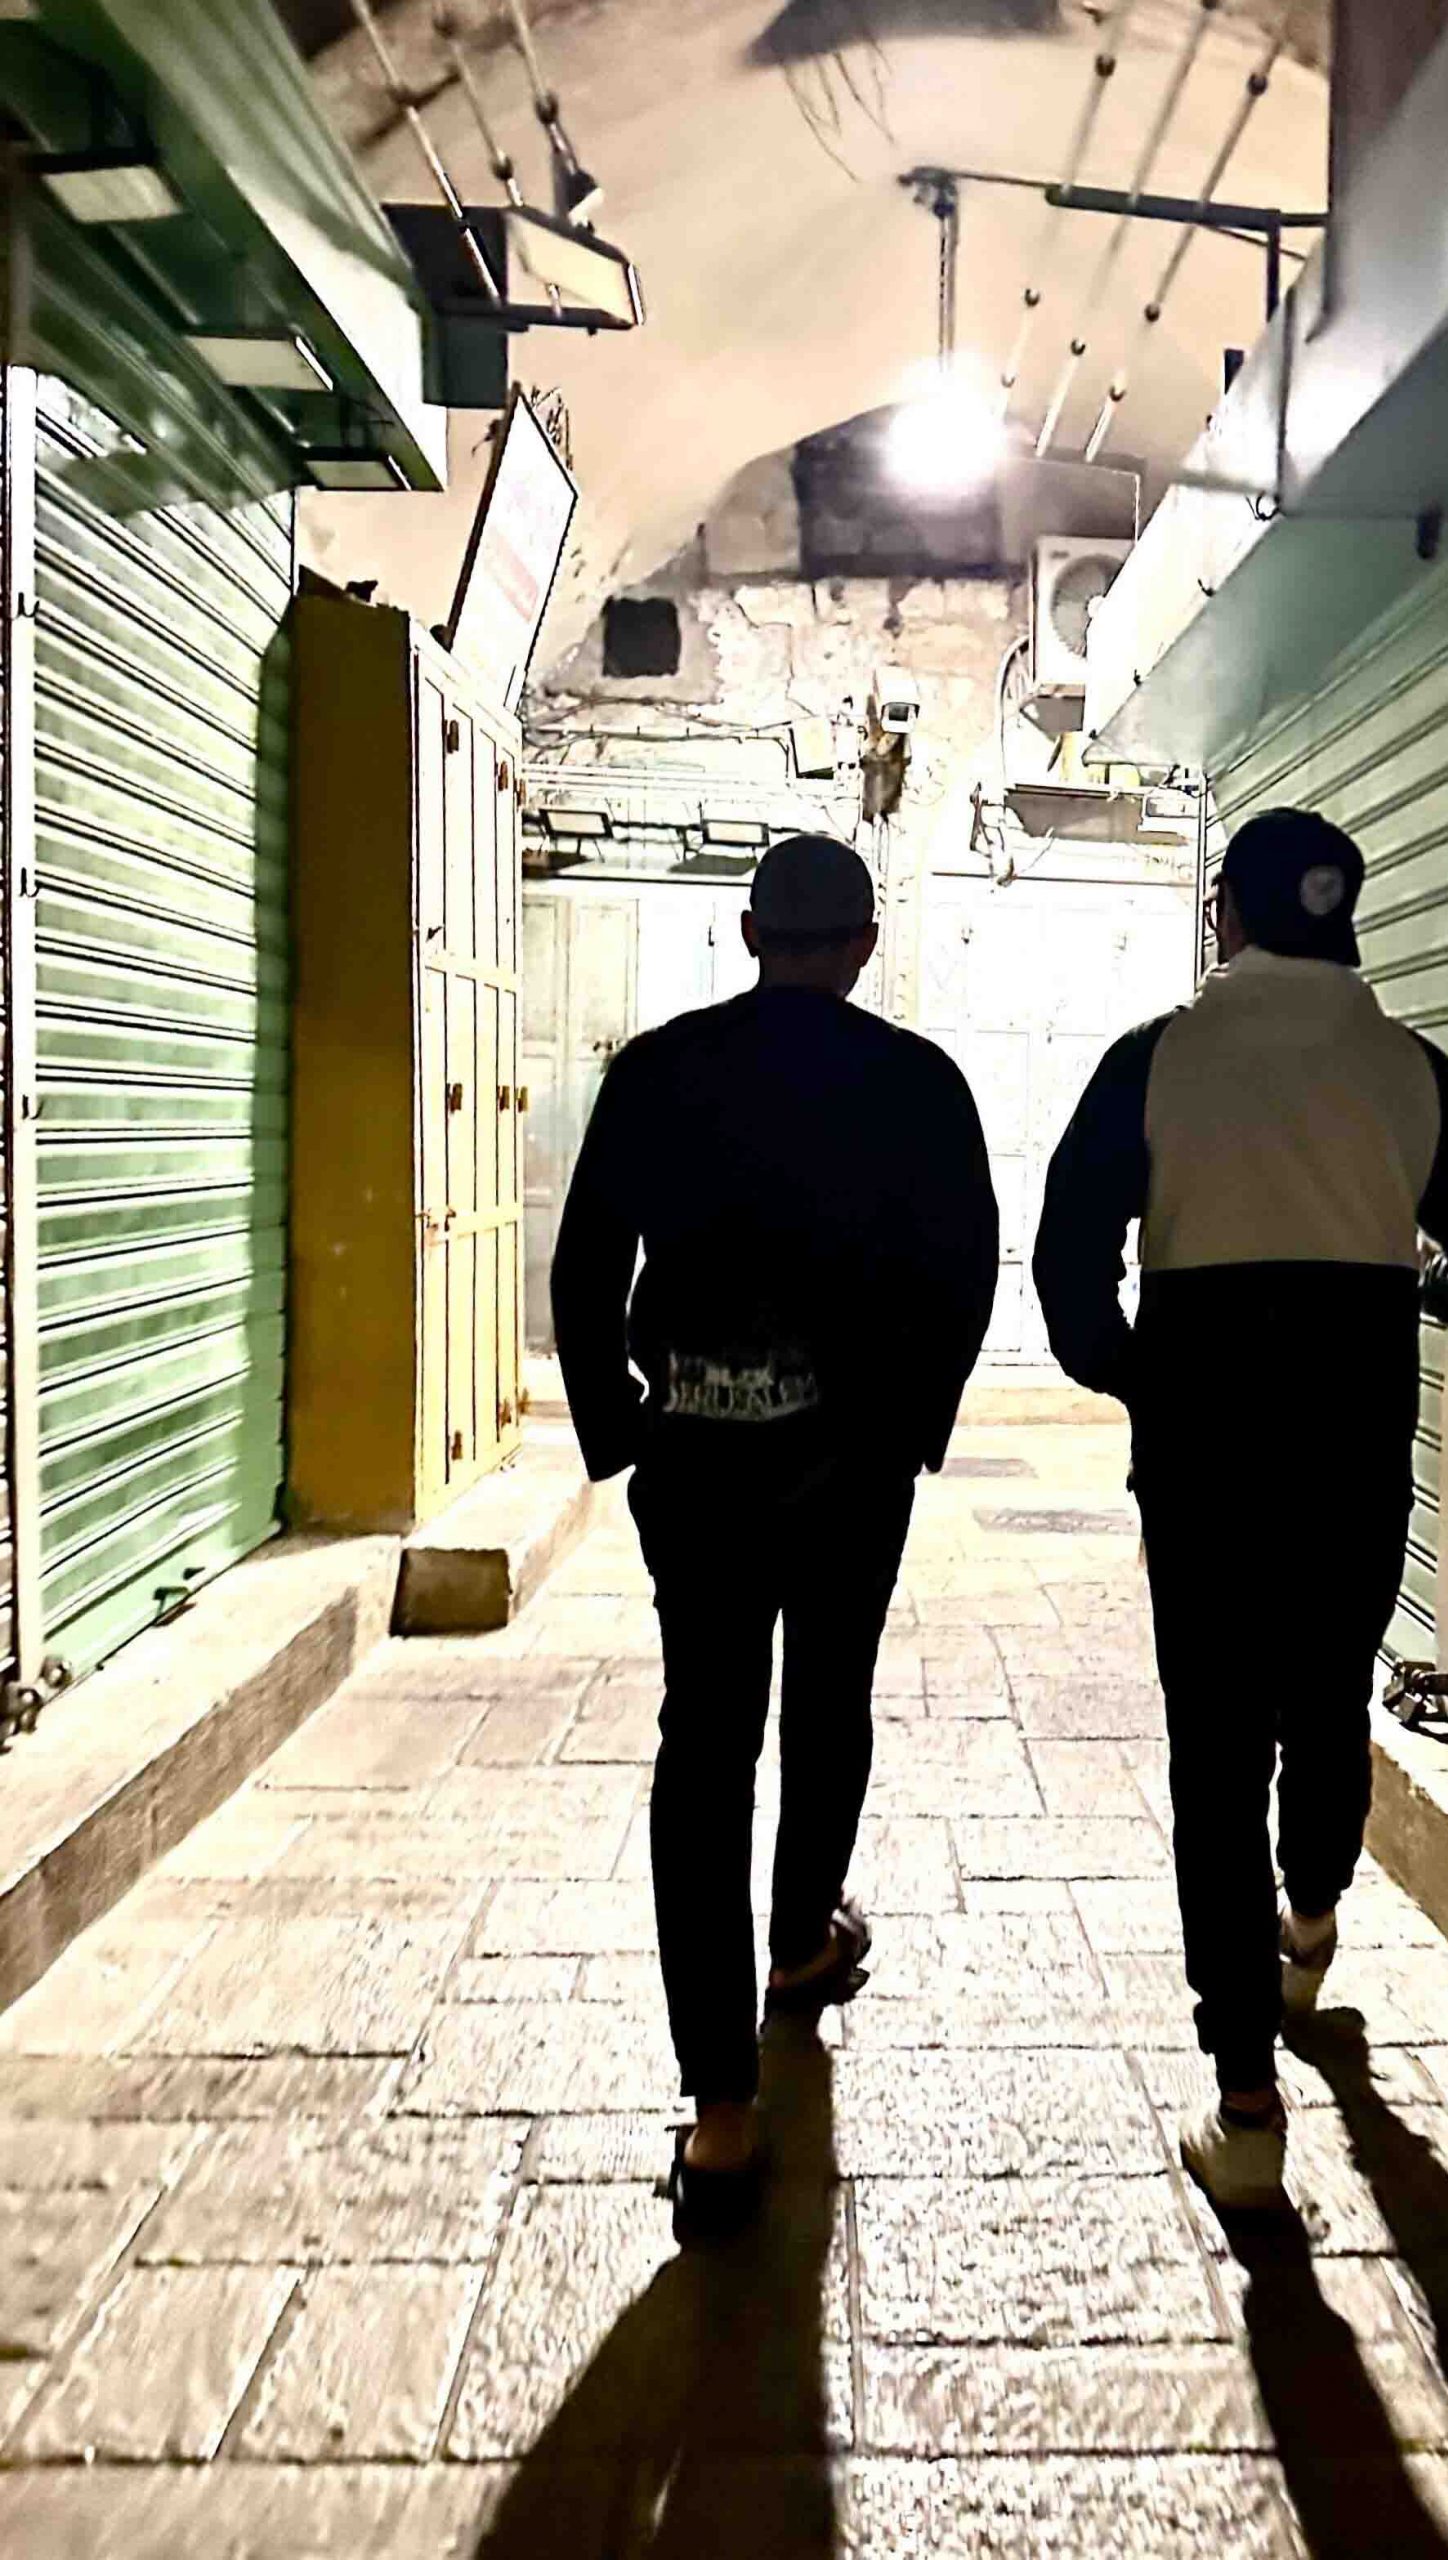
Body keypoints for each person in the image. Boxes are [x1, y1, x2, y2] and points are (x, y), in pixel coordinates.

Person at [1032, 806, 1448, 2212]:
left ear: (1229, 914)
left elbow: (1069, 1250)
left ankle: (1245, 2104)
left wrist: (1132, 1372)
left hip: (1203, 1458)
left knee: (1215, 1746)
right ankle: (1310, 1915)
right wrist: (1433, 1290)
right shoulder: (1409, 1071)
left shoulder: (1159, 1060)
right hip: (1350, 1447)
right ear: (1350, 915)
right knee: (1328, 1698)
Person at [552, 833, 997, 2230]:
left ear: (748, 934)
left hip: (696, 1454)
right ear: (863, 942)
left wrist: (617, 1427)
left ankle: (722, 2110)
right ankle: (800, 1944)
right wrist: (915, 1425)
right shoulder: (919, 1086)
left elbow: (583, 1266)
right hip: (853, 1465)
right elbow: (967, 1267)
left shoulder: (659, 1072)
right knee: (829, 1700)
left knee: (706, 1739)